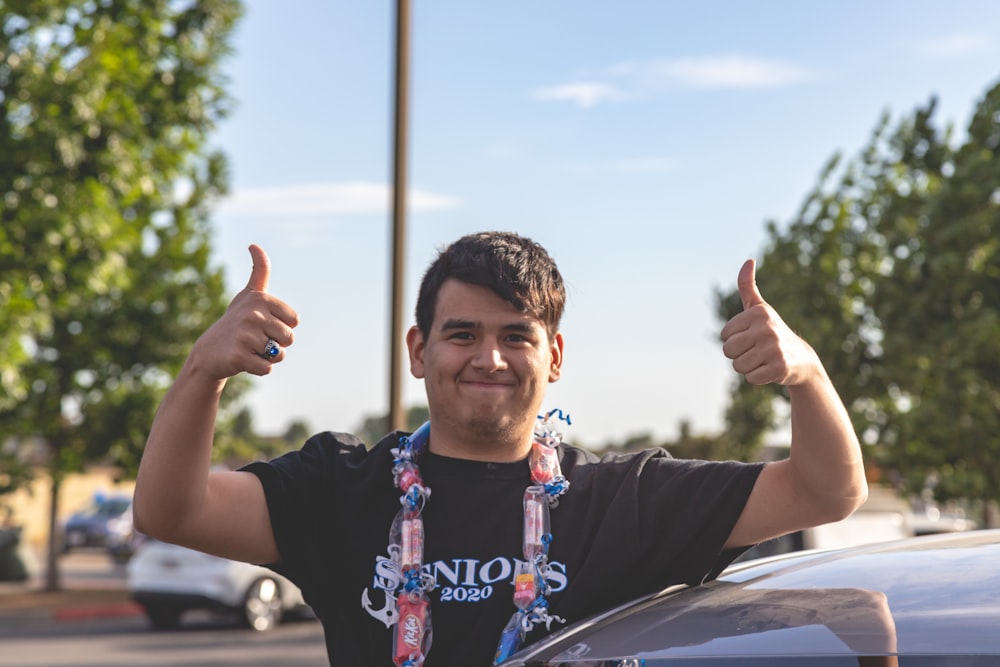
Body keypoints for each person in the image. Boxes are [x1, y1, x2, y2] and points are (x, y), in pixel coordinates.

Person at [134, 231, 867, 666]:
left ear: (554, 357)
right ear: (419, 350)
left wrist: (806, 373)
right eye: (462, 333)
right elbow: (172, 508)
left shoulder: (626, 496)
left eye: (517, 334)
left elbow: (826, 490)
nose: (489, 356)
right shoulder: (341, 486)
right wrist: (204, 371)